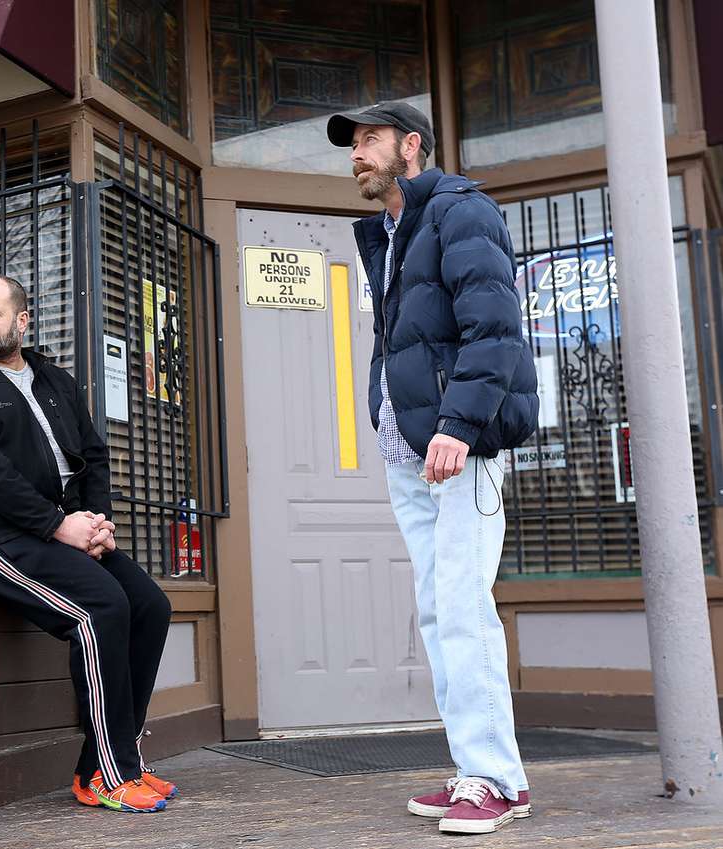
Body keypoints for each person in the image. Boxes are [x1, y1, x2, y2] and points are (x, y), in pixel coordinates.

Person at [326, 102, 539, 835]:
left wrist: (458, 423)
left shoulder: (459, 210)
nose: (357, 152)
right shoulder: (389, 230)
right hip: (410, 450)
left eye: (370, 139)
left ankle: (497, 779)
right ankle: (474, 767)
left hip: (460, 446)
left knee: (463, 603)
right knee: (439, 609)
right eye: (352, 144)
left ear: (411, 145)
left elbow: (495, 328)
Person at [0, 274, 176, 814]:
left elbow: (93, 456)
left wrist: (97, 523)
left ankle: (112, 759)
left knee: (151, 605)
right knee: (98, 608)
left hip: (61, 531)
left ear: (22, 320)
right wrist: (59, 525)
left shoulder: (55, 381)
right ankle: (111, 774)